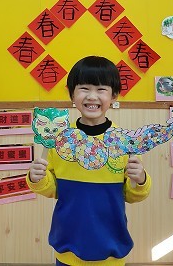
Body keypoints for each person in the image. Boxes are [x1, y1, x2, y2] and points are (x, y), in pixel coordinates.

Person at [27, 55, 151, 266]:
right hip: (67, 247)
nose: (92, 96)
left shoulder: (124, 142)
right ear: (72, 94)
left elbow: (131, 195)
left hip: (112, 249)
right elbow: (53, 189)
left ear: (114, 96)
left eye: (101, 89)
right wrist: (36, 178)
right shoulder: (59, 140)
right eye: (84, 88)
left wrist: (140, 180)